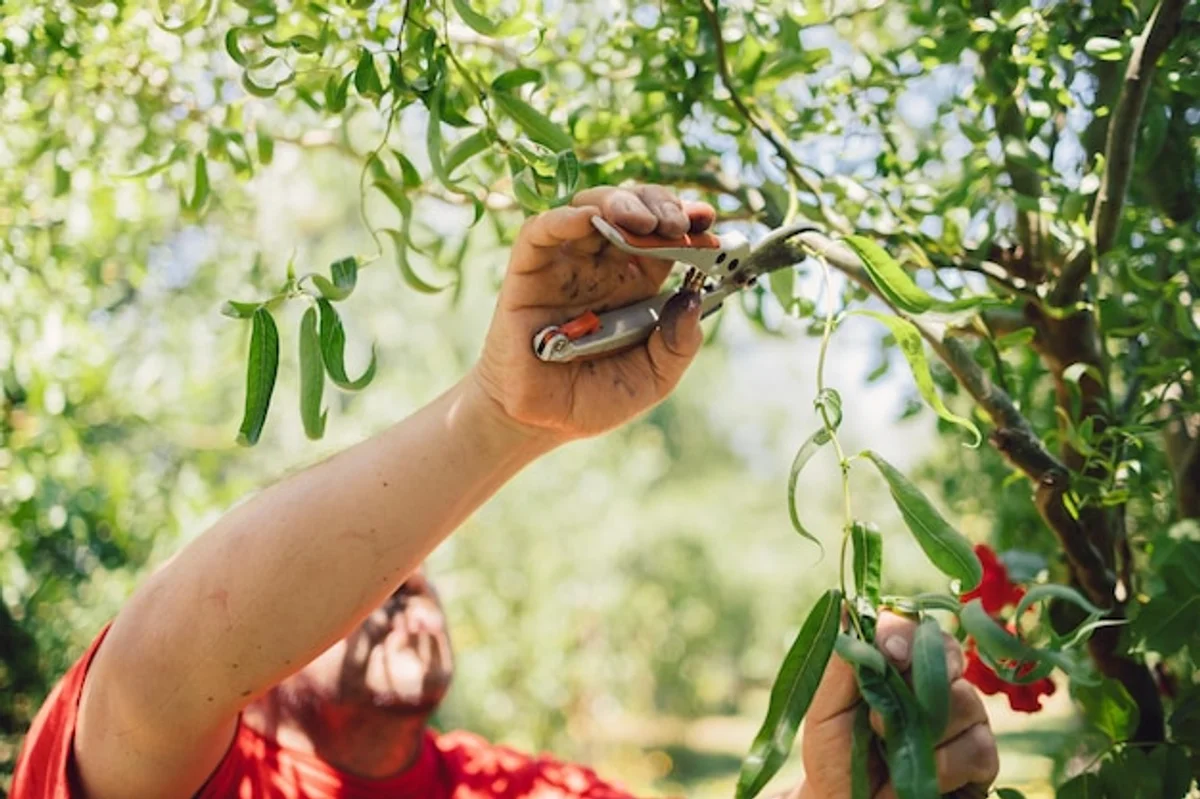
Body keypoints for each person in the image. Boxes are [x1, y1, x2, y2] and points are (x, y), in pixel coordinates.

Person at [13, 185, 1000, 799]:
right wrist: (498, 416)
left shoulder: (530, 789)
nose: (402, 585)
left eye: (409, 570)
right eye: (367, 576)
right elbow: (172, 654)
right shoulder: (201, 771)